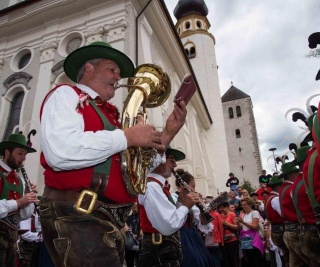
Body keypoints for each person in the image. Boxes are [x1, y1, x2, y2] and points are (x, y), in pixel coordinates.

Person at [39, 41, 187, 267]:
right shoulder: (65, 94)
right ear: (90, 68)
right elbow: (60, 152)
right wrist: (127, 137)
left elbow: (134, 172)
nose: (118, 78)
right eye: (112, 70)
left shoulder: (111, 117)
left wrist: (167, 134)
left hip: (105, 220)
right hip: (78, 215)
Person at [138, 148, 200, 266]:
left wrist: (181, 201)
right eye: (171, 160)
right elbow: (169, 224)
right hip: (158, 250)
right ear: (157, 160)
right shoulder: (152, 187)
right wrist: (186, 205)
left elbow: (168, 215)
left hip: (163, 248)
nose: (175, 164)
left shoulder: (159, 186)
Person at [0, 133, 38, 266]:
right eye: (20, 153)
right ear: (7, 152)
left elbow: (23, 216)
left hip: (11, 240)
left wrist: (28, 199)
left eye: (25, 155)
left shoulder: (20, 181)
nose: (23, 158)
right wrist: (18, 202)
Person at [173, 169, 215, 267]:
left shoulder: (192, 201)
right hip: (180, 236)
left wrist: (202, 208)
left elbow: (203, 224)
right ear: (185, 186)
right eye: (193, 186)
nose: (194, 189)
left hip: (192, 235)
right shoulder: (173, 197)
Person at [279, 162, 309, 266]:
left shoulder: (283, 189)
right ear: (291, 175)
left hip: (288, 230)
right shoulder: (292, 188)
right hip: (296, 230)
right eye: (296, 173)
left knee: (295, 263)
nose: (298, 174)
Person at [264, 175, 288, 267]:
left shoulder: (270, 198)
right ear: (278, 186)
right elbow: (283, 215)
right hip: (280, 229)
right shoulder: (275, 198)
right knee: (285, 255)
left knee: (282, 255)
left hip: (276, 229)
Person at [235, 197, 265, 267]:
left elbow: (255, 226)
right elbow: (240, 228)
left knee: (256, 259)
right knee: (248, 260)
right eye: (242, 205)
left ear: (250, 204)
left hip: (254, 239)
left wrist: (243, 222)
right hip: (245, 240)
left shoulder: (254, 212)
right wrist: (238, 223)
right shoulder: (243, 214)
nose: (243, 206)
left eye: (245, 204)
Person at [218, 201, 239, 267]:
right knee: (225, 260)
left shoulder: (232, 214)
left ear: (227, 207)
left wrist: (227, 224)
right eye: (219, 208)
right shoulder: (219, 216)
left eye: (222, 207)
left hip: (232, 240)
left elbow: (237, 227)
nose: (220, 209)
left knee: (233, 259)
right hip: (223, 241)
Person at [124, 202, 141, 267]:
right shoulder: (127, 218)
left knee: (140, 262)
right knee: (129, 262)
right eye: (134, 205)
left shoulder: (142, 217)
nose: (135, 206)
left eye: (136, 205)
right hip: (130, 243)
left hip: (139, 243)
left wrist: (139, 234)